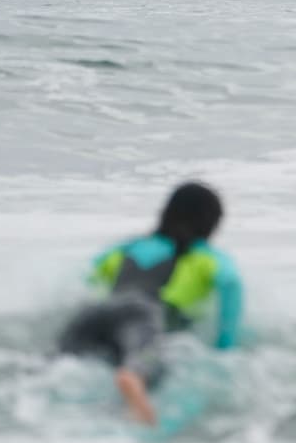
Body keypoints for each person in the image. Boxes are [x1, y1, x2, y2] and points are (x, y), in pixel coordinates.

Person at [56, 182, 244, 428]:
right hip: (142, 314)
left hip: (95, 313)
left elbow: (89, 277)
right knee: (142, 369)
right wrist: (224, 350)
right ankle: (133, 381)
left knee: (58, 365)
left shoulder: (126, 248)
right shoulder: (205, 256)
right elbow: (230, 283)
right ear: (211, 224)